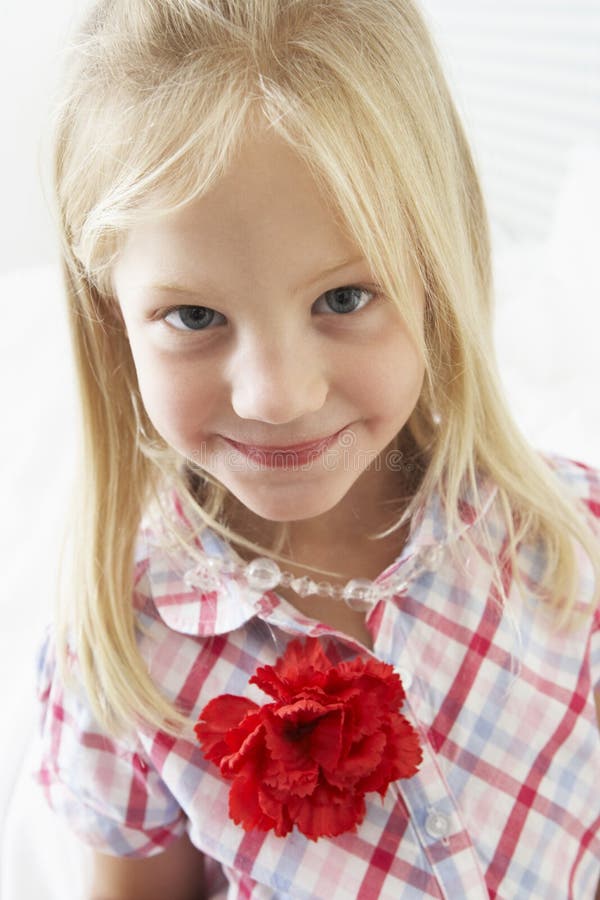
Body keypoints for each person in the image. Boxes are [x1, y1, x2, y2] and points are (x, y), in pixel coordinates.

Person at [33, 0, 600, 897]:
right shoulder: (124, 652)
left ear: (435, 272)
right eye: (194, 316)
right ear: (113, 324)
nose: (276, 395)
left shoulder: (573, 539)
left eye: (342, 298)